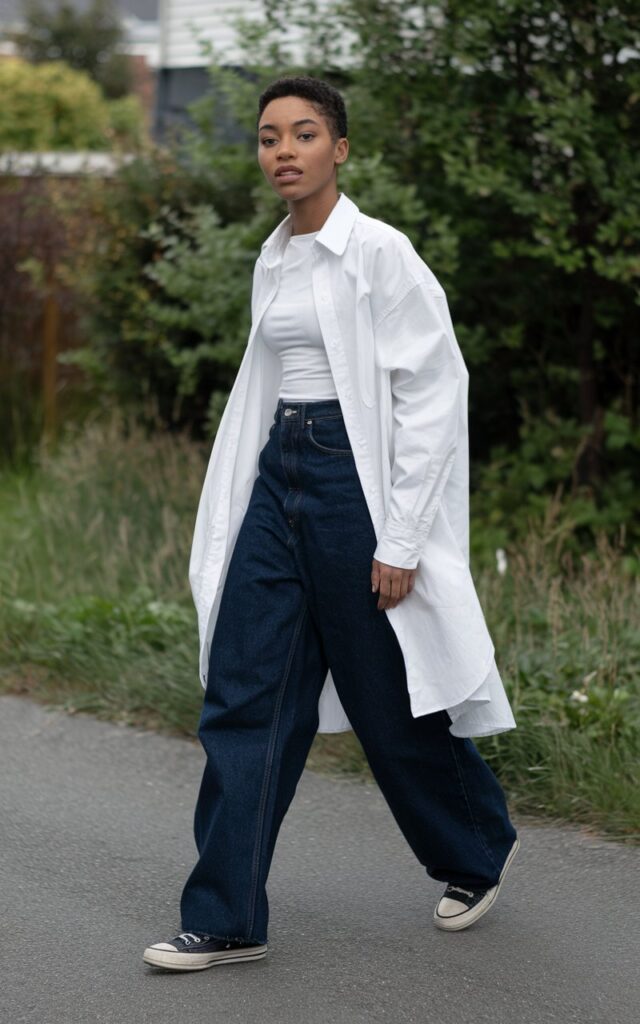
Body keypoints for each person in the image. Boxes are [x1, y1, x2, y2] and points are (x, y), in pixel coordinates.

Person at [143, 75, 519, 973]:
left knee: (388, 694)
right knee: (245, 694)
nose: (283, 151)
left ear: (338, 150)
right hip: (281, 476)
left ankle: (476, 848)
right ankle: (227, 917)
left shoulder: (381, 253)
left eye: (303, 134)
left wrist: (400, 539)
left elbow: (433, 393)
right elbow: (271, 388)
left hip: (358, 481)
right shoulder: (272, 259)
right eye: (269, 136)